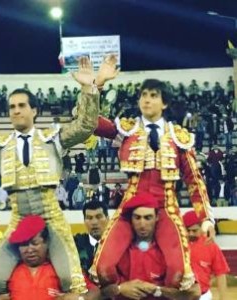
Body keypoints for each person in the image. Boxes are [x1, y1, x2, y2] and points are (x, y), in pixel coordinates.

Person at [0, 55, 119, 294]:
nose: (16, 111)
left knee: (72, 279)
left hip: (51, 219)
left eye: (21, 106)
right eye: (12, 107)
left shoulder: (53, 138)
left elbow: (86, 125)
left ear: (34, 110)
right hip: (18, 219)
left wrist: (88, 88)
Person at [93, 79, 215, 290]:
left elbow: (194, 180)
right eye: (143, 95)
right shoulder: (126, 130)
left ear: (164, 103)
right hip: (130, 206)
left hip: (165, 206)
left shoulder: (179, 137)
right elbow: (91, 124)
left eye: (153, 95)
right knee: (104, 267)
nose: (146, 100)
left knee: (178, 273)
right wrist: (94, 88)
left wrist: (205, 217)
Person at [101, 193, 201, 300]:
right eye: (137, 218)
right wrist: (120, 289)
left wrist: (157, 290)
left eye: (148, 218)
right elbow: (100, 292)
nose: (142, 224)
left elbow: (195, 293)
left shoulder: (170, 252)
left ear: (157, 217)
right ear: (131, 219)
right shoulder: (118, 252)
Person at [8, 215, 100, 300]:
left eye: (35, 243)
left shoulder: (63, 268)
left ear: (46, 243)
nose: (29, 249)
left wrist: (80, 298)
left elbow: (95, 292)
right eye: (24, 244)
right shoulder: (10, 272)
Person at [183, 211, 230, 300]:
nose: (191, 234)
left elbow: (220, 274)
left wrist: (223, 298)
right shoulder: (177, 245)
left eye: (194, 230)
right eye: (188, 230)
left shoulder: (211, 246)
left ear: (202, 228)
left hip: (203, 296)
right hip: (180, 296)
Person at [74, 201, 109, 274]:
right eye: (89, 218)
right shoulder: (75, 244)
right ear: (84, 221)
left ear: (107, 219)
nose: (94, 222)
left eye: (99, 217)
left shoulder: (117, 244)